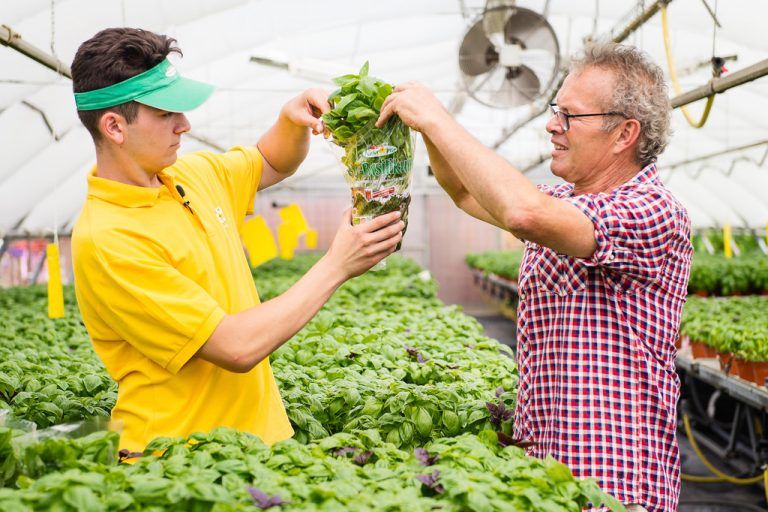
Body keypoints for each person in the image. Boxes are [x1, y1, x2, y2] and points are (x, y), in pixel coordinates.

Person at [377, 43, 692, 512]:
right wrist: (425, 128)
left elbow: (523, 213)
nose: (552, 125)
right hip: (547, 470)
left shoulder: (653, 211)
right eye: (554, 111)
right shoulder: (562, 200)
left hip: (613, 483)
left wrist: (439, 119)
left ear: (624, 133)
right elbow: (463, 190)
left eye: (570, 115)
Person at [70, 27, 404, 454]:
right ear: (115, 127)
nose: (184, 124)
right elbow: (235, 346)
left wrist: (291, 119)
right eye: (166, 114)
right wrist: (337, 265)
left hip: (256, 446)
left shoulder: (188, 175)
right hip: (182, 462)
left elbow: (270, 161)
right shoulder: (109, 238)